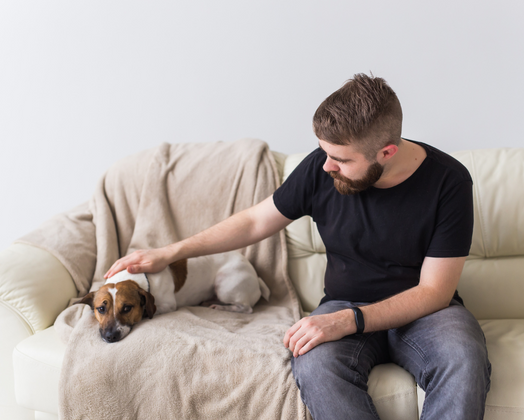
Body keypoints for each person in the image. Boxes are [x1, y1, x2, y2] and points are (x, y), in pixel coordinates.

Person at [105, 73, 491, 419]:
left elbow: (434, 291)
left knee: (463, 356)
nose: (326, 167)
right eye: (324, 153)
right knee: (313, 363)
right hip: (344, 304)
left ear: (386, 153)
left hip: (423, 311)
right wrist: (172, 252)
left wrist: (348, 321)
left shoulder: (449, 182)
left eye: (340, 159)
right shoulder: (322, 167)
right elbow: (256, 220)